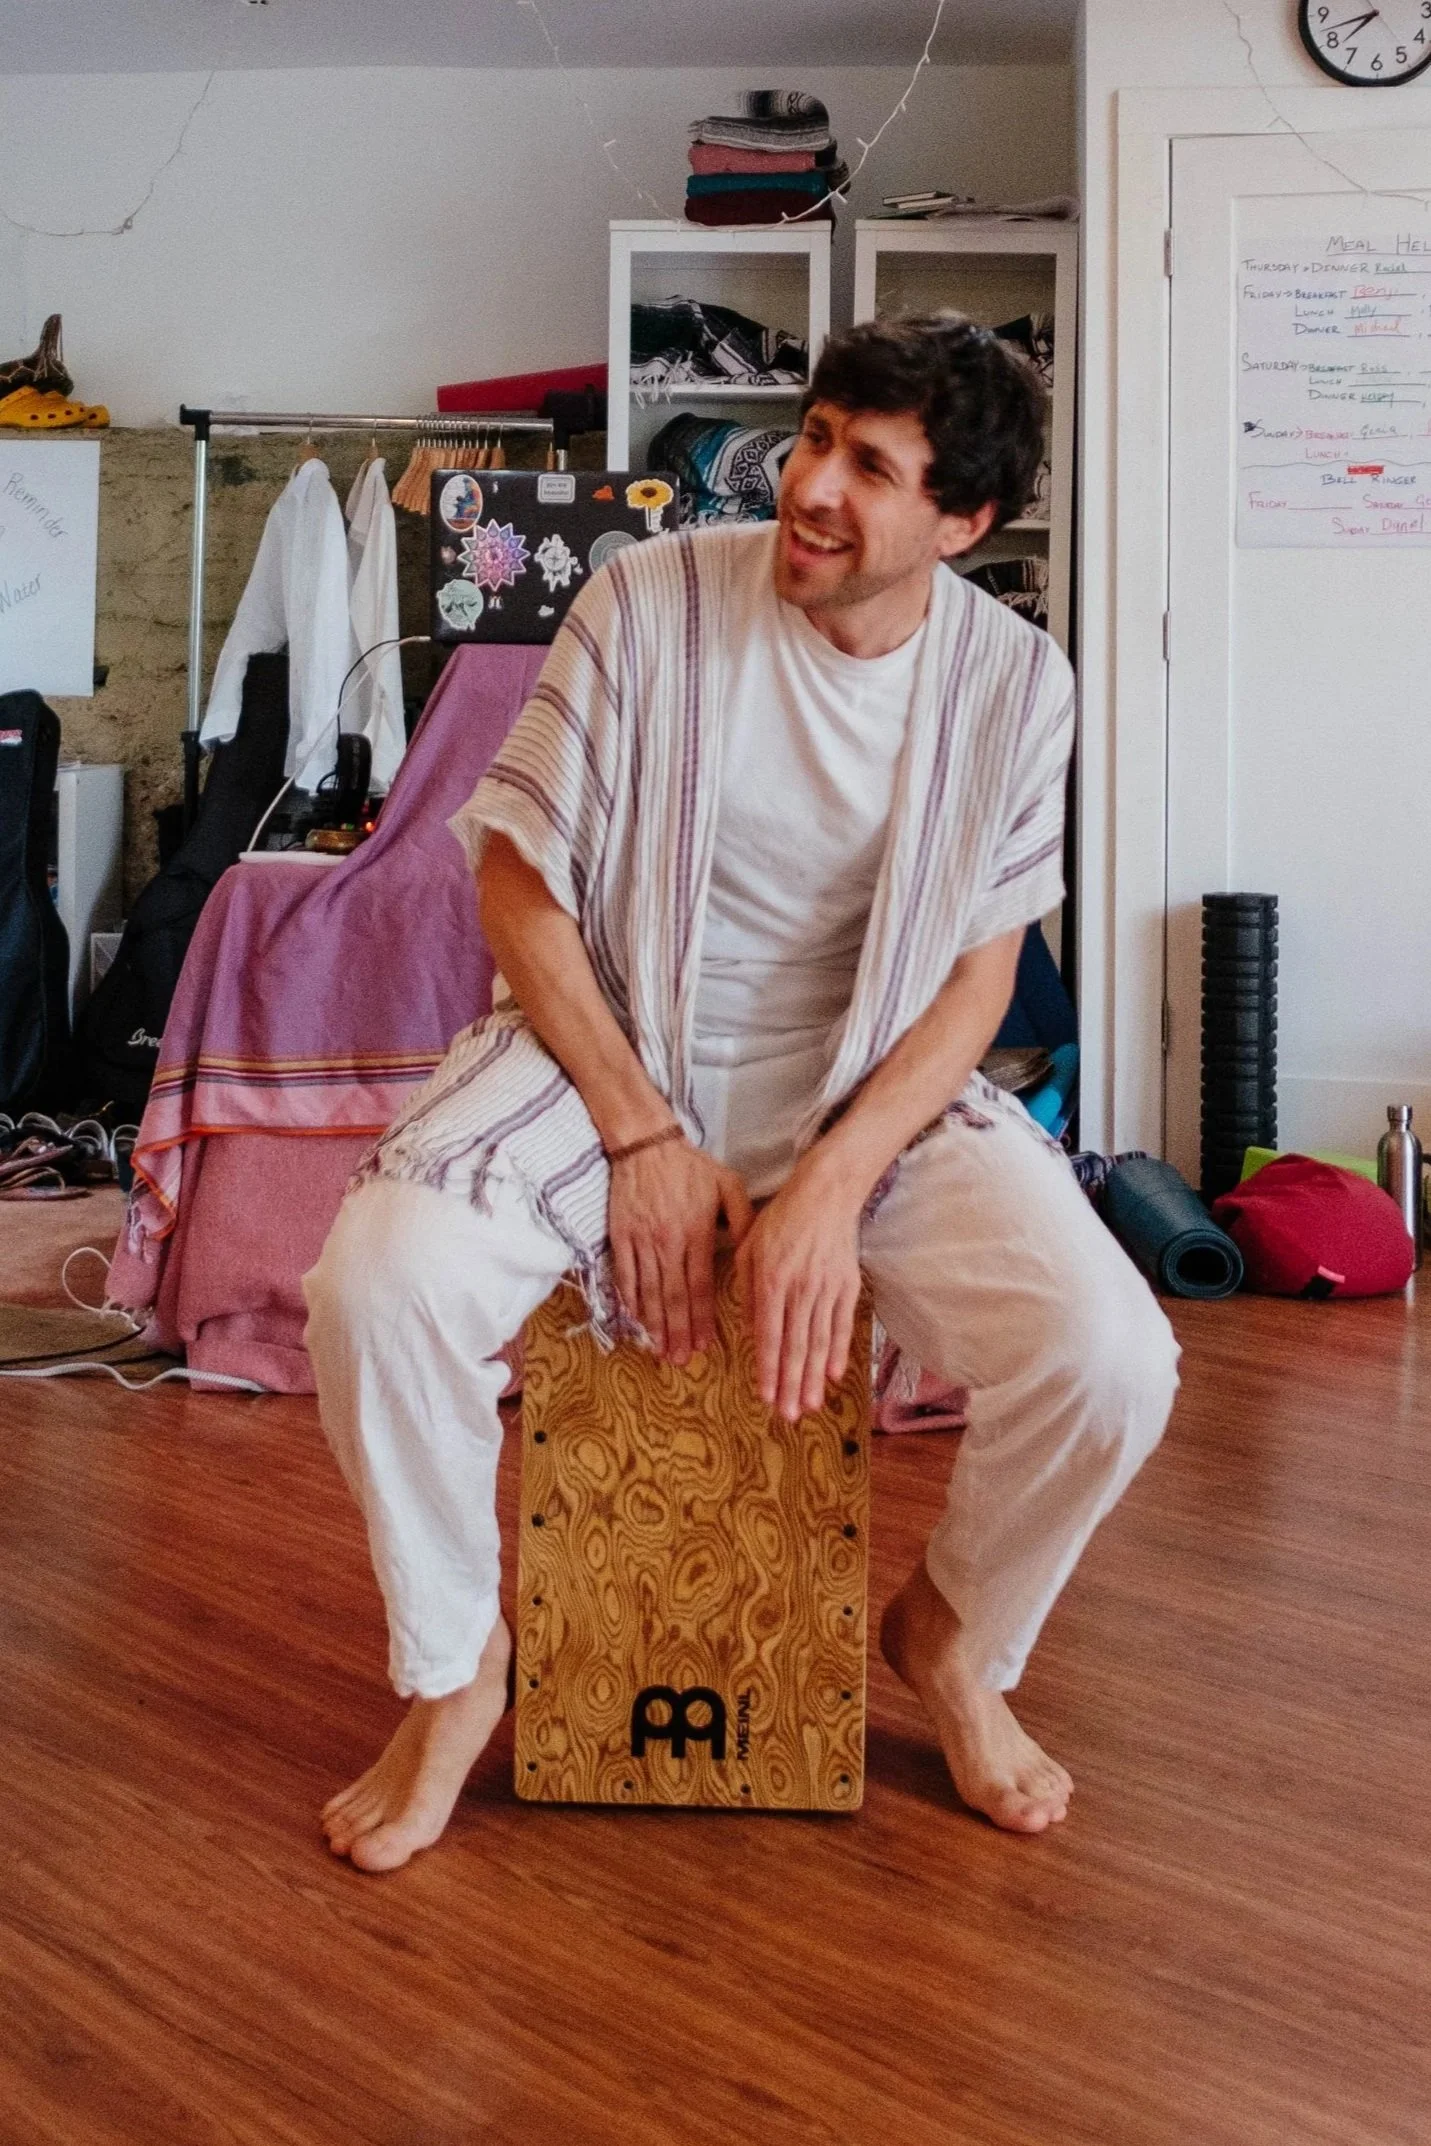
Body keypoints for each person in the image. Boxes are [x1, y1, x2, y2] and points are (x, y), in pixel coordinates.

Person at [304, 316, 1180, 1874]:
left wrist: (832, 1183)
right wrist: (642, 1128)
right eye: (816, 437)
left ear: (963, 523)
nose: (812, 486)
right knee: (373, 1286)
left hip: (870, 1083)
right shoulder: (646, 599)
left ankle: (957, 1636)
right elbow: (514, 882)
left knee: (1111, 1360)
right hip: (604, 1054)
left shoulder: (1015, 681)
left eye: (872, 467)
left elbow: (978, 977)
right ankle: (454, 1667)